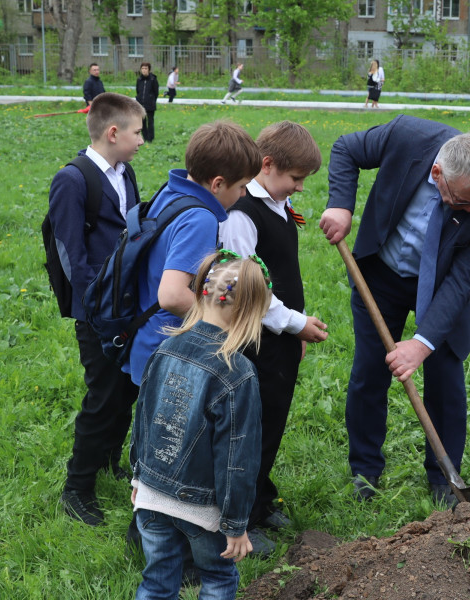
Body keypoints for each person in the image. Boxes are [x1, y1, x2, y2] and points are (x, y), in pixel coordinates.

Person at [319, 115, 470, 508]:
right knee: (369, 371)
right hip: (383, 272)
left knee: (445, 378)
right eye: (462, 202)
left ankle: (444, 477)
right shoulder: (407, 137)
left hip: (443, 287)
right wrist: (341, 205)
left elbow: (464, 278)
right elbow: (346, 149)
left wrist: (423, 343)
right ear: (437, 172)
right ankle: (365, 471)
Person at [130, 251, 271, 600]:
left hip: (151, 499)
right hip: (202, 511)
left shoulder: (165, 348)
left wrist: (138, 477)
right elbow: (238, 459)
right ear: (248, 312)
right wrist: (236, 525)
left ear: (203, 293)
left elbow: (143, 419)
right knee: (218, 580)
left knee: (157, 582)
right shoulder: (237, 374)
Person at [219, 121, 327, 556]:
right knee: (252, 427)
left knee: (274, 421)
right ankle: (238, 518)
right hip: (254, 342)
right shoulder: (243, 214)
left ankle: (260, 498)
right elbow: (249, 290)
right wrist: (294, 323)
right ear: (267, 165)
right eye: (295, 178)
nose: (300, 188)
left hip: (280, 338)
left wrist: (294, 329)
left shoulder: (278, 203)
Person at [49, 92, 145, 526]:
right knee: (102, 396)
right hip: (96, 313)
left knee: (126, 390)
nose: (141, 140)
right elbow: (71, 254)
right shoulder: (73, 180)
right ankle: (77, 488)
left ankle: (108, 460)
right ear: (113, 132)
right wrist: (95, 310)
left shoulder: (126, 173)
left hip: (127, 305)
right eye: (137, 132)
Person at [124, 120, 262, 388]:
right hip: (169, 351)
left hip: (144, 339)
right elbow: (172, 295)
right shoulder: (201, 218)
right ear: (218, 184)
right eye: (243, 186)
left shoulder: (171, 189)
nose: (244, 194)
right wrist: (223, 324)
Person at [135, 62, 159, 142]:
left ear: (149, 70)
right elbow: (138, 91)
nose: (144, 70)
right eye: (142, 68)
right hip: (141, 104)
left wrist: (151, 99)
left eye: (146, 68)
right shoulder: (139, 80)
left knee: (150, 121)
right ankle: (145, 137)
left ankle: (150, 138)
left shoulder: (153, 79)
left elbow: (156, 92)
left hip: (150, 104)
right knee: (142, 122)